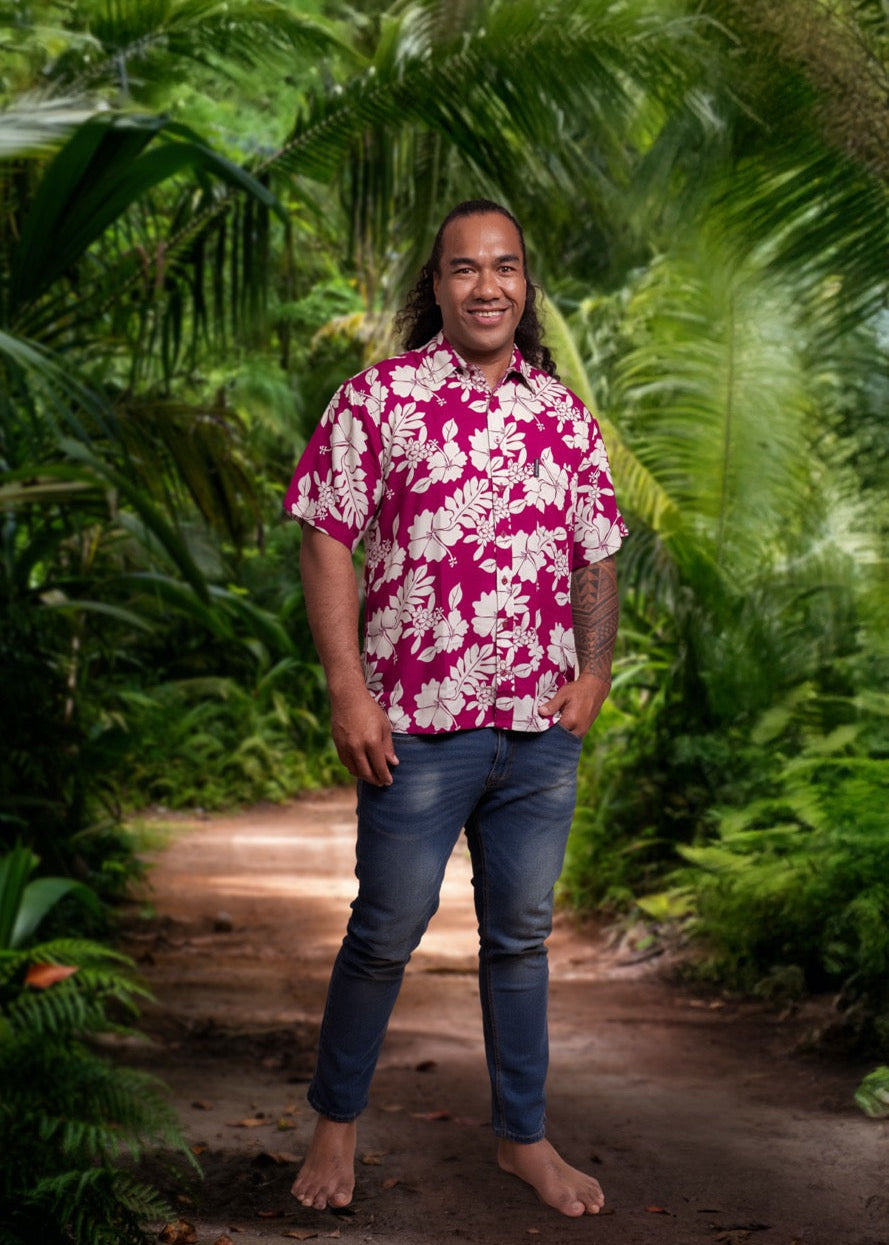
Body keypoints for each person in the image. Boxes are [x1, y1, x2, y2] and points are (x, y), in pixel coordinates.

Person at [283, 199, 626, 1218]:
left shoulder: (561, 414)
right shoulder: (376, 401)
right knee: (384, 932)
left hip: (536, 734)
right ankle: (335, 1132)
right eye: (465, 270)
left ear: (526, 286)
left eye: (506, 268)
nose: (487, 286)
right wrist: (349, 688)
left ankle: (523, 1138)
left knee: (518, 939)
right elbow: (324, 535)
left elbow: (597, 547)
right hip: (417, 729)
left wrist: (595, 672)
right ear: (434, 288)